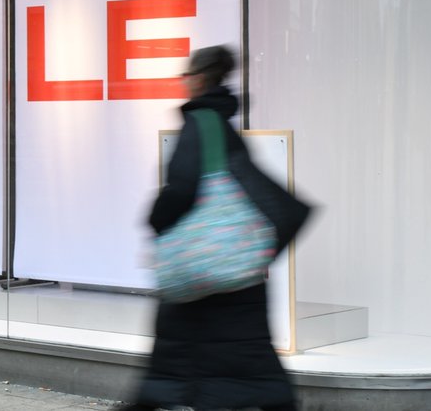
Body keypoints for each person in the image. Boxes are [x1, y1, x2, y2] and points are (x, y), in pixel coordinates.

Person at [120, 45, 299, 411]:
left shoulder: (200, 124)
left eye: (185, 76)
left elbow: (181, 189)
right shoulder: (224, 126)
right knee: (250, 369)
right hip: (236, 274)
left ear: (198, 78)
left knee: (169, 373)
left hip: (204, 273)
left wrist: (155, 220)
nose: (183, 83)